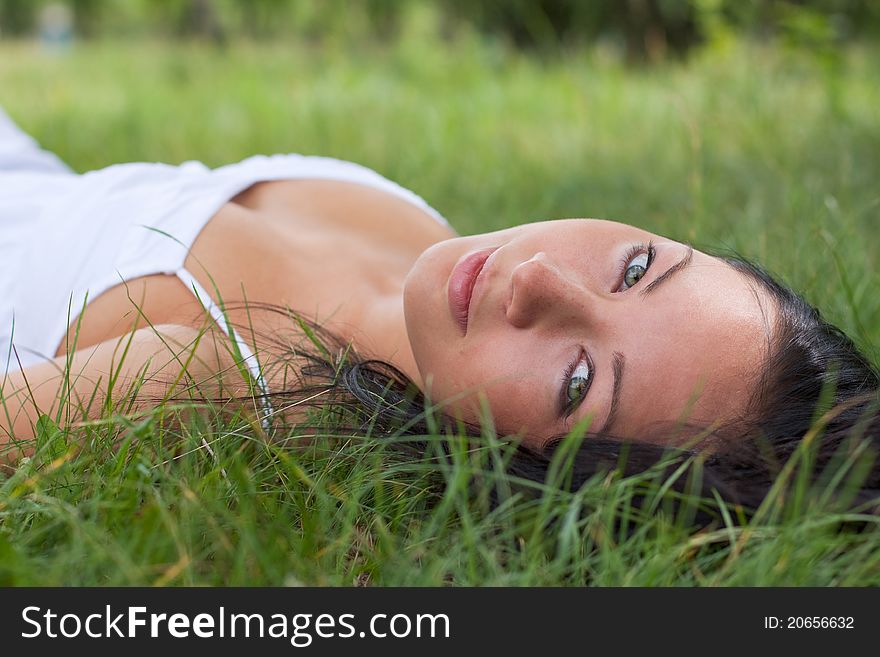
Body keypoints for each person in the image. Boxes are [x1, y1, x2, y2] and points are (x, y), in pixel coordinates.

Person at [1, 107, 877, 520]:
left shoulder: (230, 381)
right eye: (637, 266)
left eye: (578, 379)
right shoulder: (432, 243)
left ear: (542, 479)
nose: (538, 279)